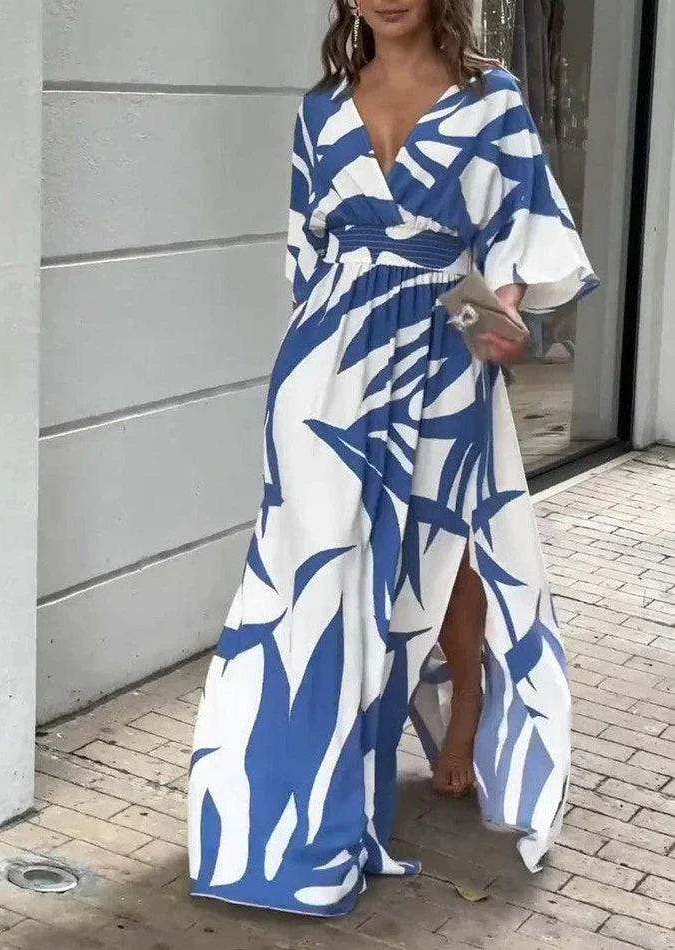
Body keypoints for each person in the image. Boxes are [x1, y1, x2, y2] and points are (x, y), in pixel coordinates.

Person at [188, 0, 598, 917]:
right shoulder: (321, 108)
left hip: (445, 352)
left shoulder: (492, 98)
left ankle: (460, 714)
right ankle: (282, 824)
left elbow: (518, 235)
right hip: (324, 369)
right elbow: (305, 255)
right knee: (306, 578)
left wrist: (498, 320)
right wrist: (320, 357)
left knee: (435, 561)